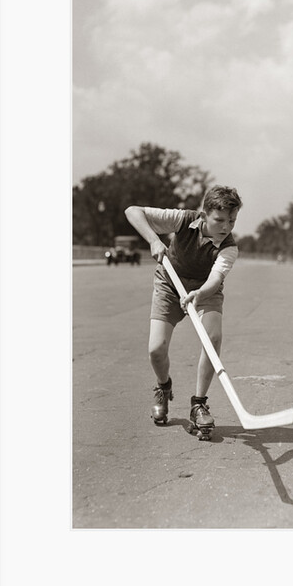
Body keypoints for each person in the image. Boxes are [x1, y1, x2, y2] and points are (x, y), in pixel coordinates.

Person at [124, 185, 243, 440]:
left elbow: (215, 278)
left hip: (205, 291)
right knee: (156, 349)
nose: (226, 227)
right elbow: (132, 211)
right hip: (170, 284)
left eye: (231, 221)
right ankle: (163, 388)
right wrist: (154, 239)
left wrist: (199, 294)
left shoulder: (229, 248)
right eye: (219, 220)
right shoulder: (183, 219)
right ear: (204, 215)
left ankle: (198, 404)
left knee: (213, 339)